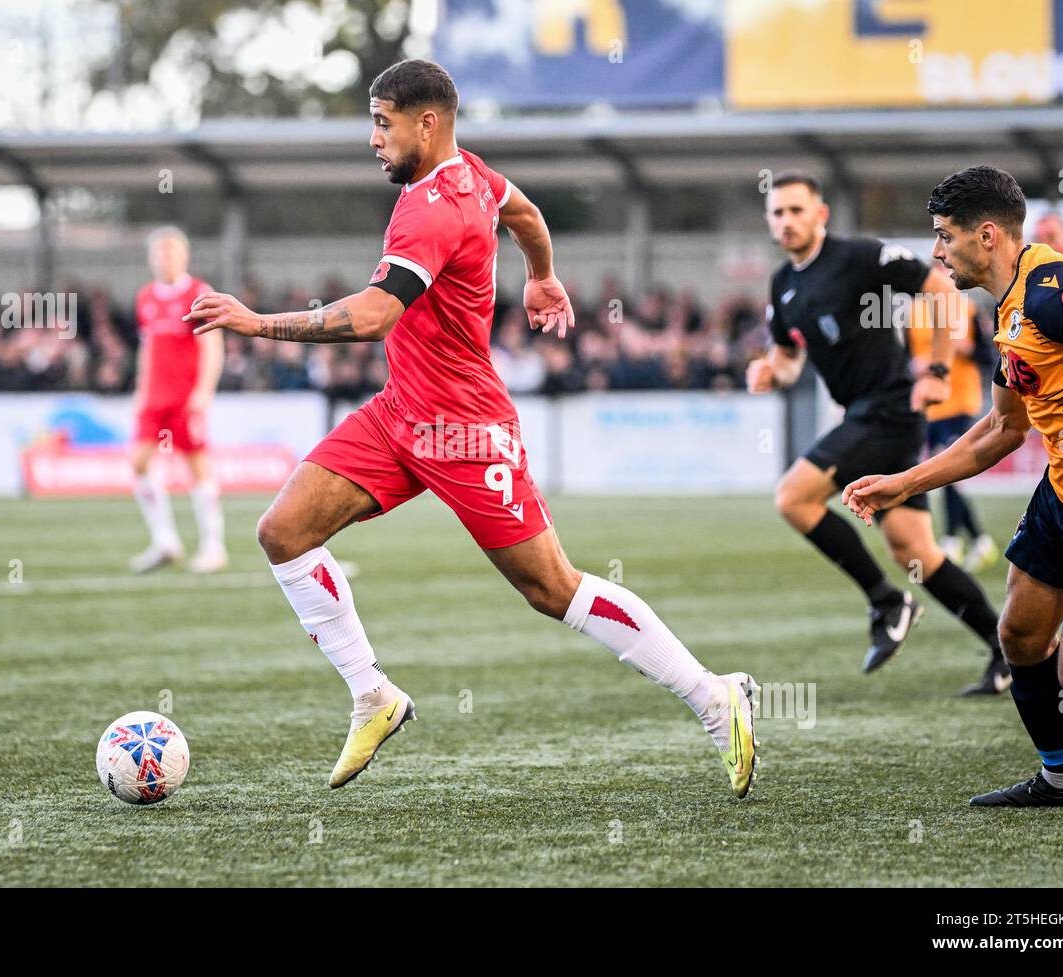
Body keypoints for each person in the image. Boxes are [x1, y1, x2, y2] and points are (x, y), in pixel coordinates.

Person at [184, 59, 758, 796]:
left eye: (382, 123)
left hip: (465, 429)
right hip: (400, 415)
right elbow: (525, 214)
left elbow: (372, 316)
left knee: (552, 588)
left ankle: (715, 696)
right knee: (283, 531)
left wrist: (251, 322)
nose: (372, 138)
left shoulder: (433, 208)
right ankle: (373, 695)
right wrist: (543, 274)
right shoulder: (473, 177)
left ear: (428, 122)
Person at [844, 165, 1063, 806]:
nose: (937, 253)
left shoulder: (1051, 290)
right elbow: (1000, 430)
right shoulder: (1010, 306)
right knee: (1020, 633)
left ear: (986, 235)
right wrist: (902, 484)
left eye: (944, 237)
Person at [747, 172, 1007, 693]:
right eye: (777, 213)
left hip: (887, 410)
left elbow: (942, 292)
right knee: (917, 552)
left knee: (793, 498)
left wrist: (934, 371)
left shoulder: (859, 256)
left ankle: (888, 601)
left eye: (797, 210)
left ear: (820, 214)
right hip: (863, 416)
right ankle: (1008, 656)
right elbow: (791, 357)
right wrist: (771, 371)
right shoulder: (783, 283)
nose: (787, 221)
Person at [130, 226, 228, 574]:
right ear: (150, 257)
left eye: (171, 251)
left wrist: (203, 391)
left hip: (185, 398)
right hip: (154, 399)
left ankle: (213, 546)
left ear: (183, 256)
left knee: (196, 465)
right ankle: (165, 541)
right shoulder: (145, 298)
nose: (165, 258)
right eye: (159, 252)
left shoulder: (199, 293)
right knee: (138, 462)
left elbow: (211, 345)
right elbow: (147, 347)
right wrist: (141, 391)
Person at [908, 292, 999, 575]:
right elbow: (906, 359)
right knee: (948, 476)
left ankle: (949, 540)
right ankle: (978, 540)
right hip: (930, 408)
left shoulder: (967, 310)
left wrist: (968, 348)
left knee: (948, 470)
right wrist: (914, 366)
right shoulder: (914, 315)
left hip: (960, 403)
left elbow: (989, 355)